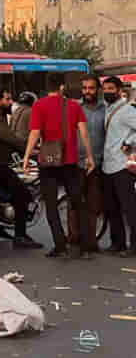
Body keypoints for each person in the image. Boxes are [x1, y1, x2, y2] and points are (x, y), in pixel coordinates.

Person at [24, 72, 97, 260]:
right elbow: (84, 133)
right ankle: (86, 245)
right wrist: (89, 156)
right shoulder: (73, 106)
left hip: (48, 162)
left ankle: (60, 245)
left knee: (51, 205)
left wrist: (26, 157)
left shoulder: (39, 106)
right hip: (70, 162)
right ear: (62, 87)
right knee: (78, 202)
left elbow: (35, 132)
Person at [0, 88, 42, 249]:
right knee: (22, 195)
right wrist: (31, 151)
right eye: (7, 99)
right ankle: (20, 236)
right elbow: (11, 139)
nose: (10, 102)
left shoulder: (0, 116)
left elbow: (9, 141)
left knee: (16, 191)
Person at [99, 77, 136, 257]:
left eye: (111, 88)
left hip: (122, 166)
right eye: (105, 88)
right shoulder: (107, 109)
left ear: (119, 89)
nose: (107, 92)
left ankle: (134, 246)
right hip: (107, 165)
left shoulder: (127, 110)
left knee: (129, 209)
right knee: (111, 207)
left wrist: (129, 142)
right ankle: (117, 243)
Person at [72, 75, 107, 253]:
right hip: (77, 163)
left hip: (98, 163)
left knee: (94, 204)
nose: (87, 91)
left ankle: (91, 242)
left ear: (97, 90)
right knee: (75, 203)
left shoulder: (105, 109)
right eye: (84, 88)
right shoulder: (75, 108)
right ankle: (75, 239)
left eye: (91, 88)